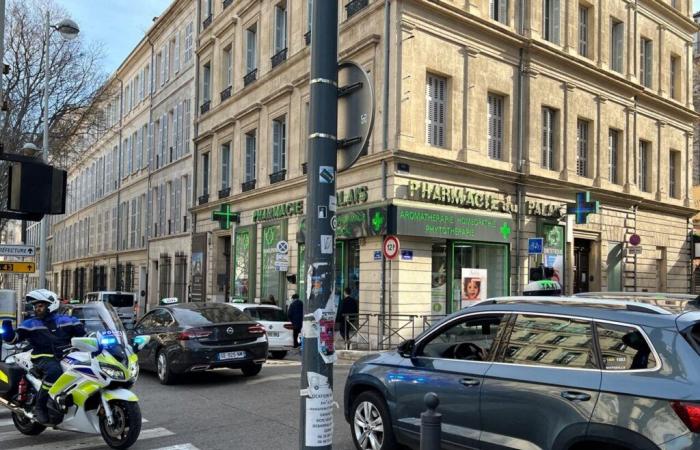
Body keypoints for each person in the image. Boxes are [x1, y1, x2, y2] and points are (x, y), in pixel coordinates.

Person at [1, 289, 85, 424]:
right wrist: (7, 328)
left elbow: (84, 335)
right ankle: (40, 406)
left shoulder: (68, 320)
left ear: (51, 305)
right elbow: (13, 339)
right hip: (42, 356)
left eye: (40, 306)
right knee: (54, 371)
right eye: (35, 306)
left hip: (67, 356)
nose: (36, 309)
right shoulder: (31, 323)